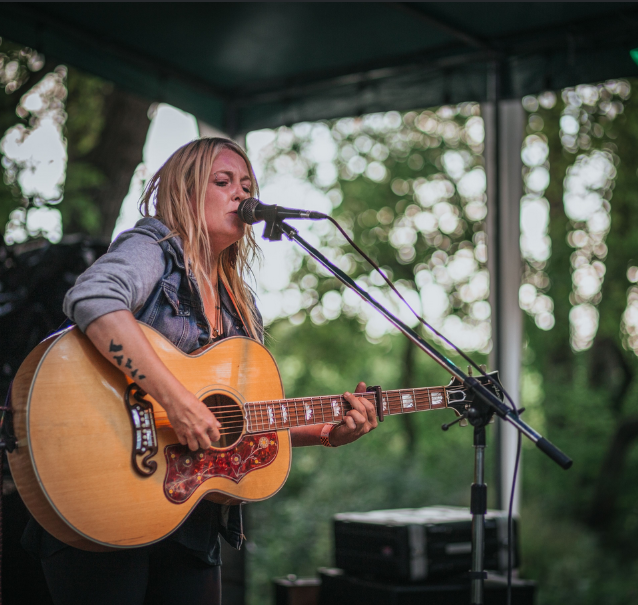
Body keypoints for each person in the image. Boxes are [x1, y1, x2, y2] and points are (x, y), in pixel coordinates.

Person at [24, 138, 378, 605]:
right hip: (108, 495)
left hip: (192, 518)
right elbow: (93, 298)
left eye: (247, 185)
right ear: (184, 192)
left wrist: (328, 432)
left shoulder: (239, 303)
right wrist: (176, 401)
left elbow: (236, 420)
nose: (241, 194)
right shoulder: (153, 248)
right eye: (223, 181)